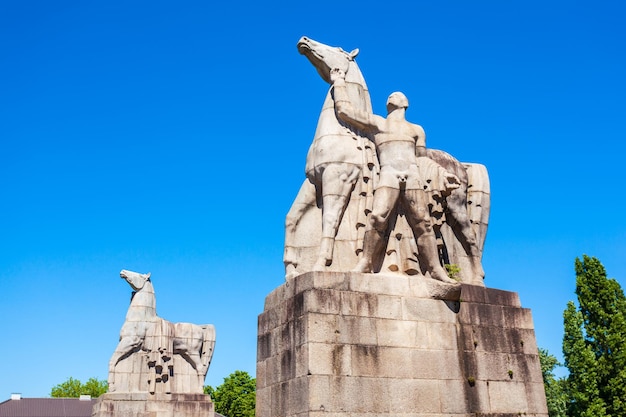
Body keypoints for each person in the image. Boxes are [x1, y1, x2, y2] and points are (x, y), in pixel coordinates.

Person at [330, 68, 458, 283]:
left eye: (396, 95)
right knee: (377, 217)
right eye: (390, 95)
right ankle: (366, 261)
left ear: (405, 103)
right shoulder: (379, 123)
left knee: (423, 223)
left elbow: (423, 159)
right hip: (388, 175)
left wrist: (442, 174)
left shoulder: (416, 129)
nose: (391, 95)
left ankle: (436, 269)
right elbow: (345, 110)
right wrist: (339, 81)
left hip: (412, 176)